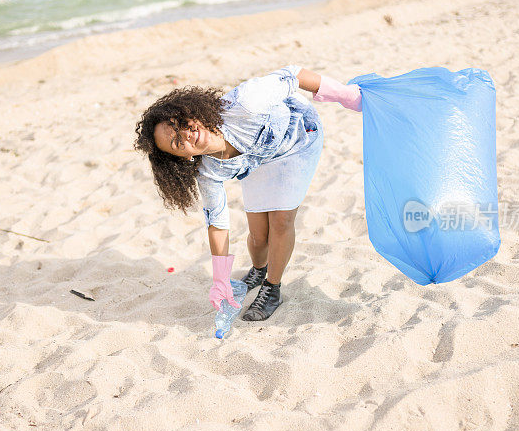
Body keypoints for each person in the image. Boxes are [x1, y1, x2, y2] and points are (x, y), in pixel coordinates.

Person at [134, 66, 361, 321]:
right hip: (258, 159)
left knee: (281, 221)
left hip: (297, 138)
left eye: (180, 124)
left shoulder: (245, 104)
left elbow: (294, 74)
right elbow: (217, 225)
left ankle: (272, 289)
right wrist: (220, 279)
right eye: (178, 142)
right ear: (184, 157)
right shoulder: (208, 170)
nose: (186, 134)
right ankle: (258, 269)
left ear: (189, 113)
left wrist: (345, 95)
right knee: (258, 235)